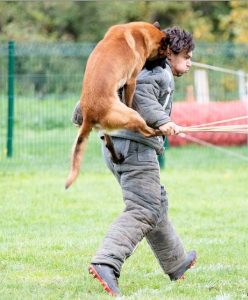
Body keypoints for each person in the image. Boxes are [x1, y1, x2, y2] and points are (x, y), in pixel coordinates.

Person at [72, 26, 196, 297]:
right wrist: (163, 121)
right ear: (169, 52)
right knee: (144, 208)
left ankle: (176, 261)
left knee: (155, 203)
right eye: (186, 57)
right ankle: (107, 261)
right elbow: (143, 98)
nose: (189, 63)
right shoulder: (154, 71)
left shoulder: (136, 62)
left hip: (118, 148)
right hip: (136, 152)